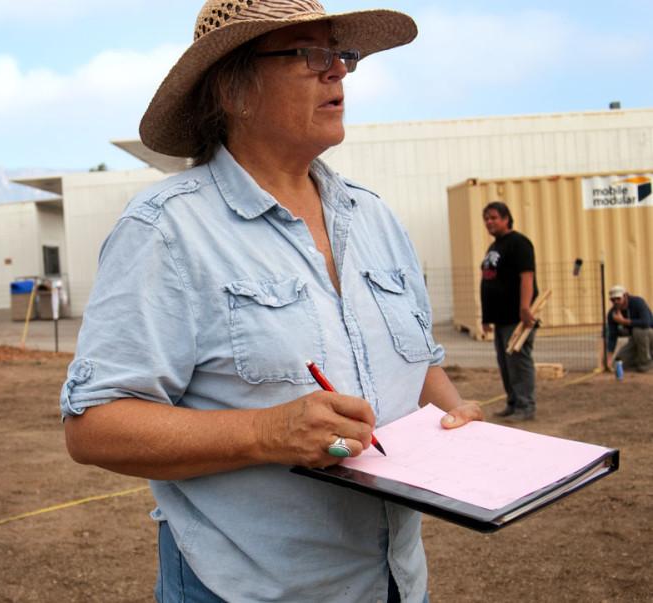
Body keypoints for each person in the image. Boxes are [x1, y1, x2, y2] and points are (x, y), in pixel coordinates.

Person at [61, 2, 482, 602]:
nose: (337, 70)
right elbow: (94, 427)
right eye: (310, 55)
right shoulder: (166, 230)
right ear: (234, 89)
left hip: (393, 580)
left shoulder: (374, 218)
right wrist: (268, 431)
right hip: (246, 588)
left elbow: (418, 362)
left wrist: (456, 418)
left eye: (341, 55)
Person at [480, 201, 539, 421]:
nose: (489, 222)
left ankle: (526, 406)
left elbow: (527, 276)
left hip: (517, 317)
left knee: (519, 362)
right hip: (500, 318)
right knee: (505, 364)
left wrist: (525, 307)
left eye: (494, 217)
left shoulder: (519, 243)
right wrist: (487, 317)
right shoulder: (494, 247)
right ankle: (513, 402)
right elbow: (488, 281)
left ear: (506, 218)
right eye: (486, 218)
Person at [606, 284, 652, 373]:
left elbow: (646, 323)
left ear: (626, 296)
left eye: (618, 298)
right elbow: (612, 336)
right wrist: (609, 359)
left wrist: (624, 321)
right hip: (635, 340)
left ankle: (646, 364)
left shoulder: (638, 302)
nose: (615, 302)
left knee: (638, 330)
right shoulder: (612, 313)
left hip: (649, 334)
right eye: (613, 299)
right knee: (617, 363)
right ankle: (641, 359)